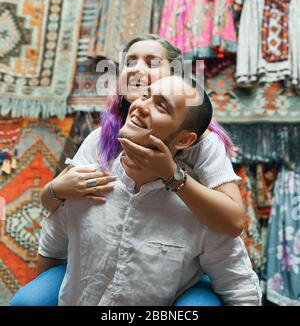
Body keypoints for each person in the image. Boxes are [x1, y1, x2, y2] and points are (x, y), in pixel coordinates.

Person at [11, 34, 244, 306]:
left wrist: (171, 176)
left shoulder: (204, 144)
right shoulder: (101, 138)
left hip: (172, 264)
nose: (136, 68)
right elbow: (54, 210)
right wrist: (56, 189)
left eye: (151, 62)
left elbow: (233, 222)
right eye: (129, 62)